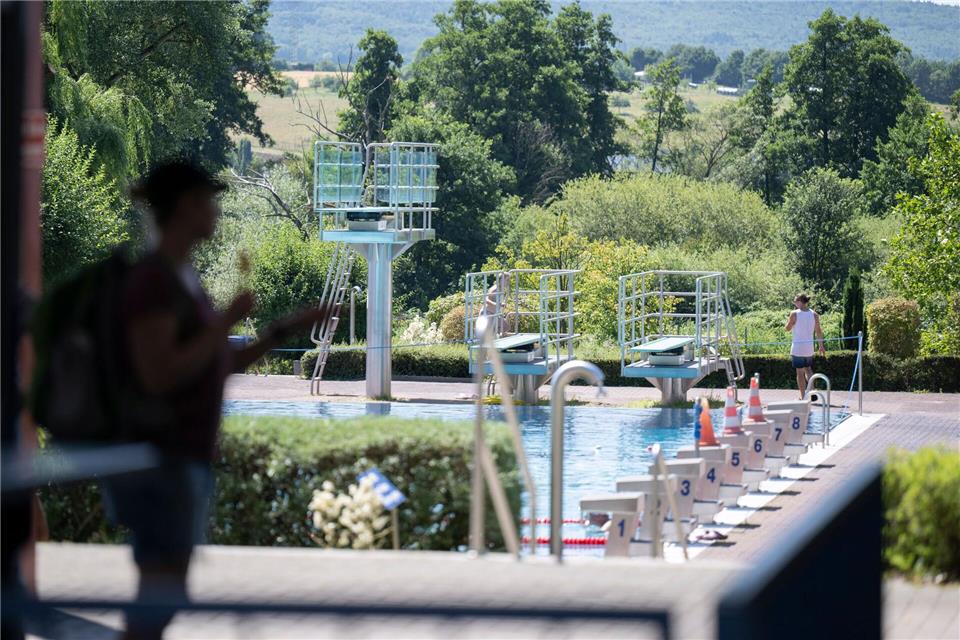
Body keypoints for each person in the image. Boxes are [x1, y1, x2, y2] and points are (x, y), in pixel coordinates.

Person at [104, 161, 329, 639]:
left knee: (163, 593)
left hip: (181, 456)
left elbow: (216, 364)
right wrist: (224, 323)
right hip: (159, 459)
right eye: (209, 200)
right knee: (159, 595)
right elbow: (160, 373)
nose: (216, 211)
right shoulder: (154, 282)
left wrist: (284, 328)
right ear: (185, 206)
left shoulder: (181, 278)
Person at [785, 293, 825, 399]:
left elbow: (787, 328)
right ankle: (812, 391)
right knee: (808, 369)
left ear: (799, 302)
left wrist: (788, 322)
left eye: (795, 301)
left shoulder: (794, 313)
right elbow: (819, 331)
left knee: (800, 373)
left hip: (798, 348)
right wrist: (821, 346)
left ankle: (803, 397)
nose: (794, 304)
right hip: (809, 348)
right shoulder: (814, 314)